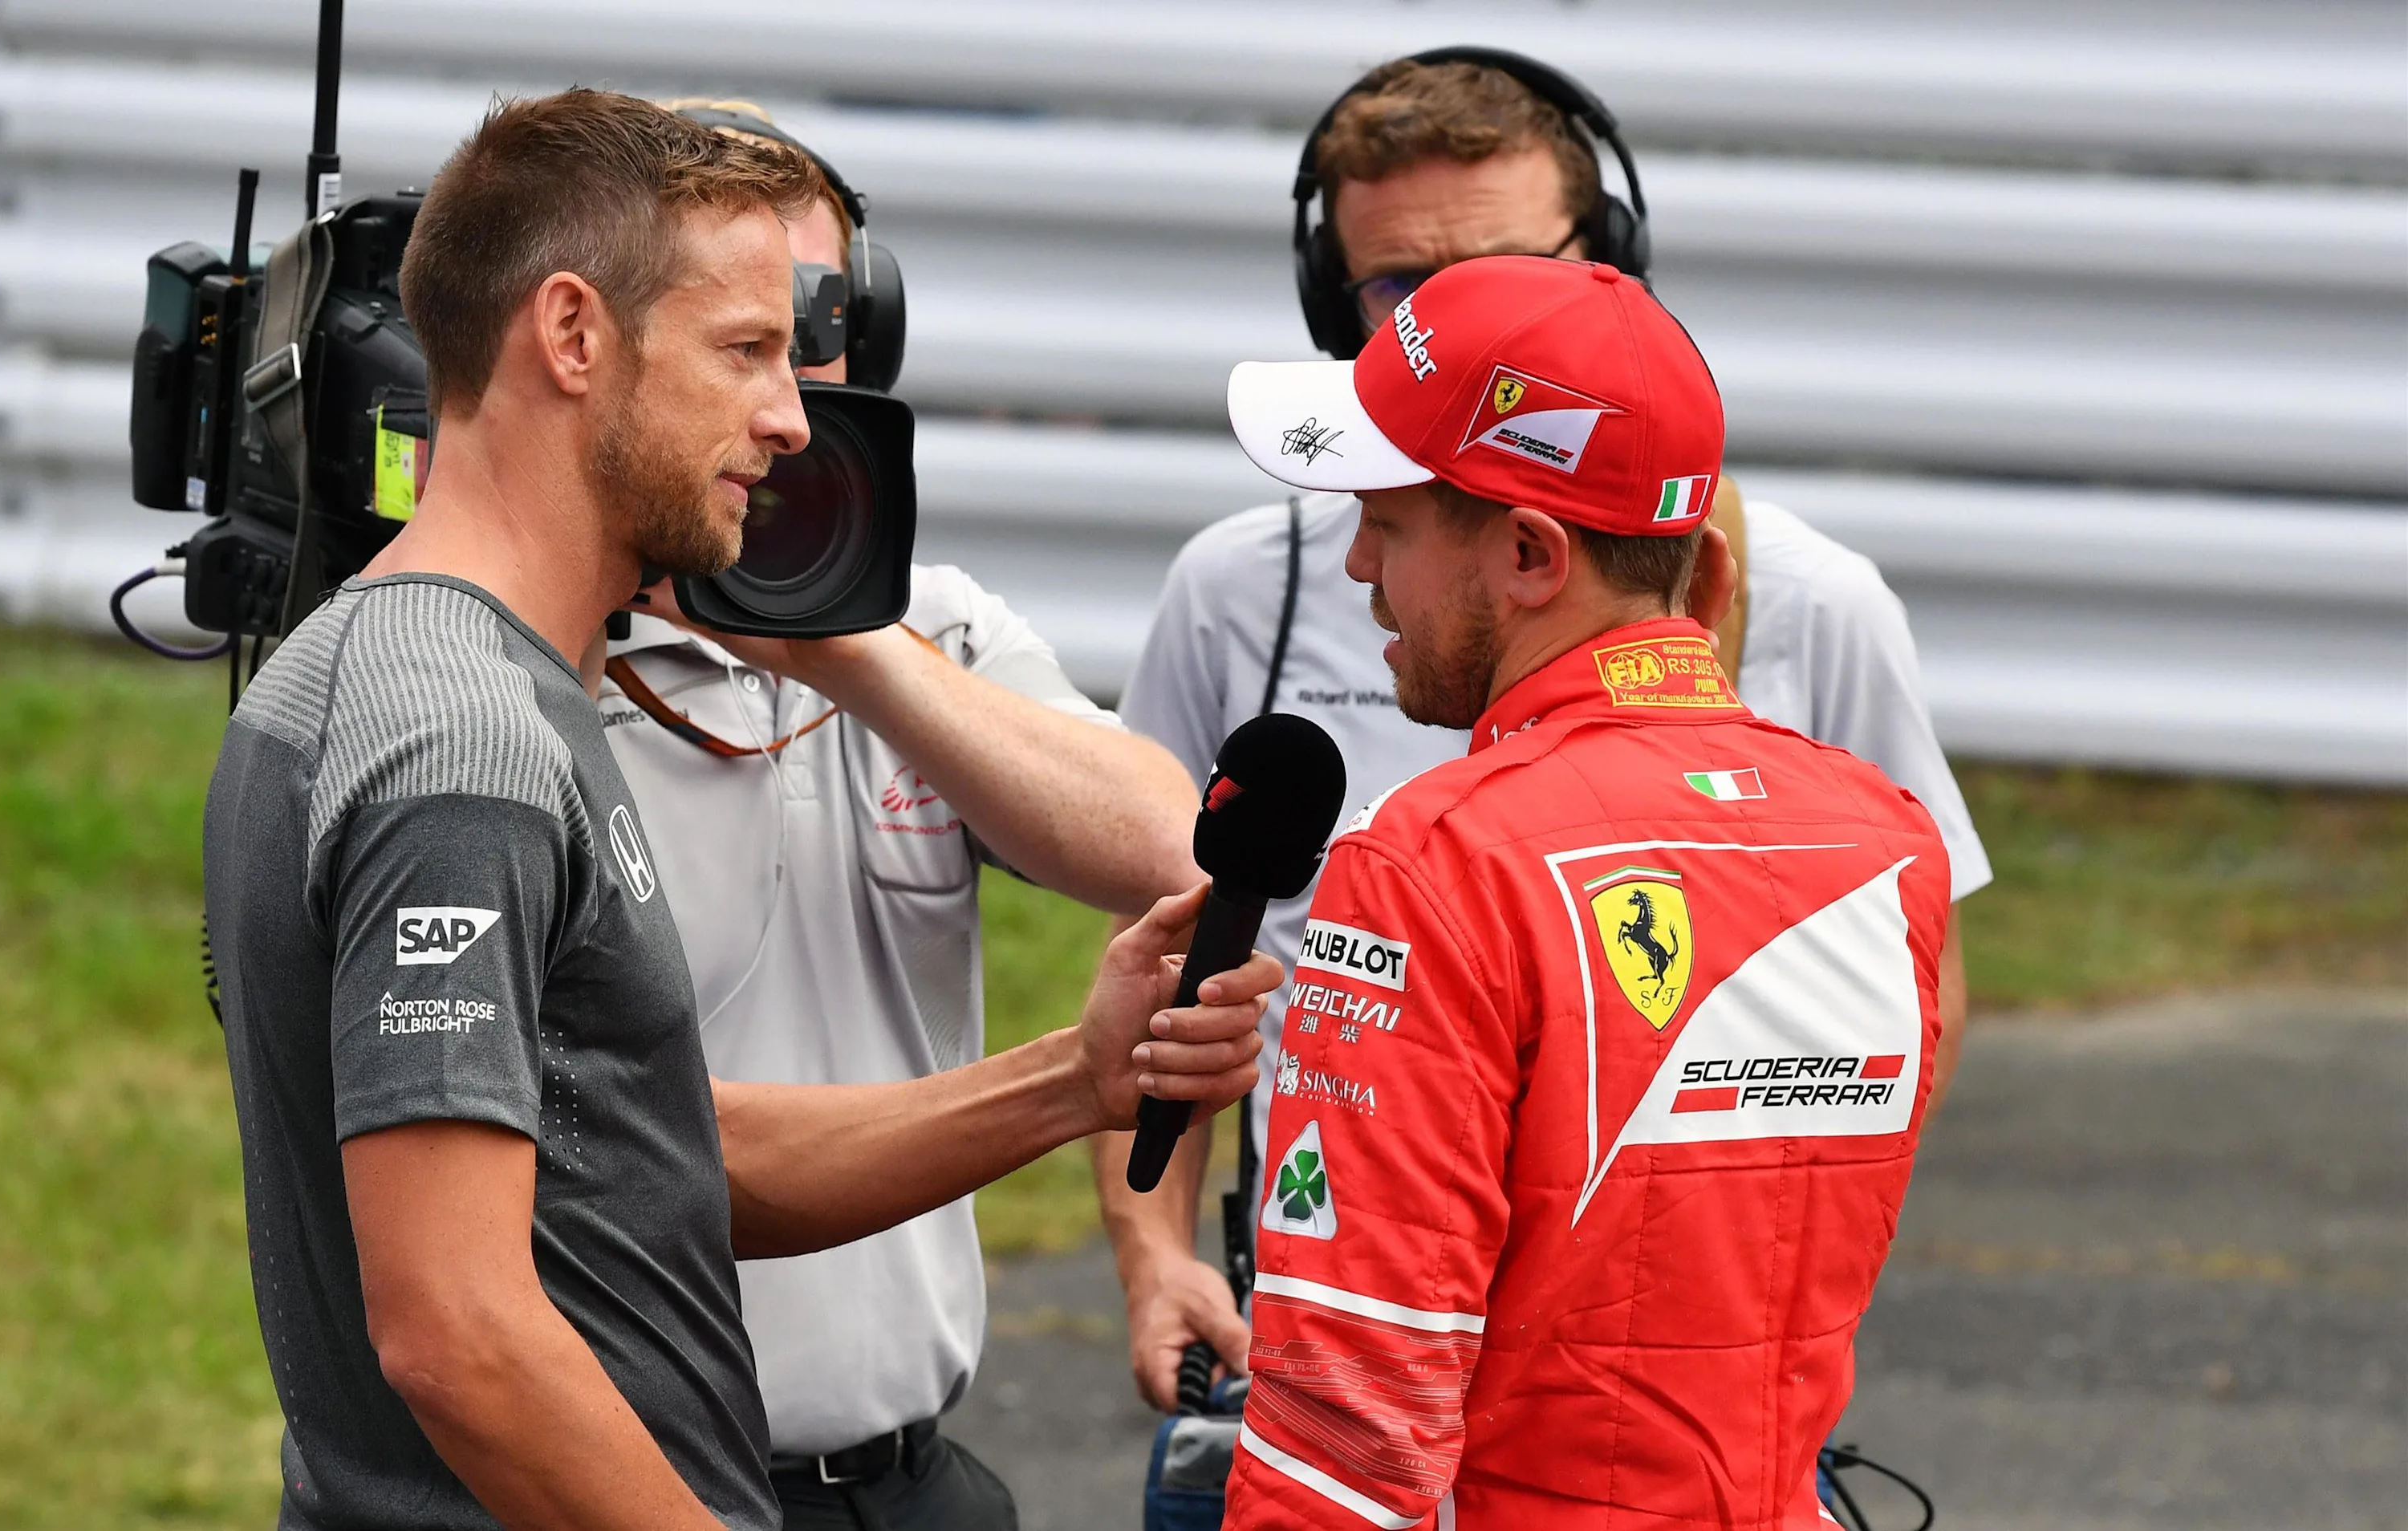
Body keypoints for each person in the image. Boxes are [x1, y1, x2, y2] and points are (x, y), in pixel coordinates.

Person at [200, 91, 1275, 1531]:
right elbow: (458, 1334)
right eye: (747, 352)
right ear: (572, 336)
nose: (791, 415)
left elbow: (644, 1166)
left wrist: (1075, 1081)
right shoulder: (460, 739)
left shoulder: (408, 673)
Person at [1095, 51, 1992, 1414]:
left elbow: (1899, 1010)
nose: (1357, 568)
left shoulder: (1821, 609)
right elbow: (1167, 959)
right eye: (1399, 291)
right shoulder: (1237, 586)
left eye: (1505, 274)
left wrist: (1717, 1303)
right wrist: (1154, 1255)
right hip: (1313, 1333)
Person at [1212, 254, 1951, 1526]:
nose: (1354, 568)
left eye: (1386, 521)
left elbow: (1349, 1419)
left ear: (1531, 552)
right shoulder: (1886, 846)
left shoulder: (1433, 863)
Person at [600, 100, 1204, 1529]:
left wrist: (835, 639)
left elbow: (1166, 847)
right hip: (625, 1485)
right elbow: (655, 1149)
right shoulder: (527, 651)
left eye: (809, 321)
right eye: (735, 329)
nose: (784, 383)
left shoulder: (922, 628)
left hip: (906, 1478)